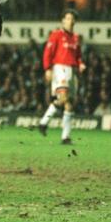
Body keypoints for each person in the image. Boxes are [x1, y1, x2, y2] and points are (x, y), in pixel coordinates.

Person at [38, 9, 86, 144]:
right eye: (68, 18)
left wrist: (81, 64)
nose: (71, 21)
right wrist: (47, 69)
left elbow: (78, 56)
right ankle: (44, 122)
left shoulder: (75, 38)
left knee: (69, 104)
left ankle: (65, 137)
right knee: (64, 98)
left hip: (72, 70)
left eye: (73, 19)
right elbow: (48, 52)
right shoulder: (56, 35)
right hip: (60, 68)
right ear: (63, 21)